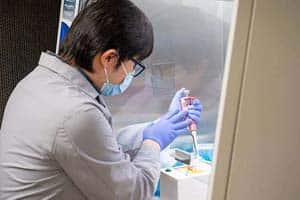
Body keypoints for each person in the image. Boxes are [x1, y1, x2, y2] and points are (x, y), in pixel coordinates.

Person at [0, 0, 202, 199]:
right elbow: (134, 194)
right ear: (109, 58)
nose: (132, 73)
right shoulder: (76, 113)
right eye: (135, 65)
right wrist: (154, 142)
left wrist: (158, 127)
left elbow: (100, 149)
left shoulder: (38, 82)